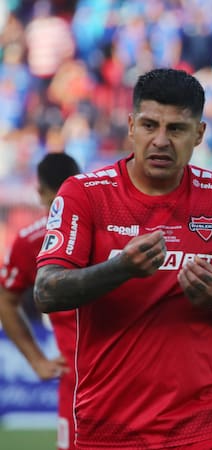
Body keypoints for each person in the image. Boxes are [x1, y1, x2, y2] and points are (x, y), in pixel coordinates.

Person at [33, 68, 212, 449]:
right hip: (107, 426)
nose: (160, 140)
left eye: (176, 129)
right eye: (149, 125)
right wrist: (120, 268)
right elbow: (46, 291)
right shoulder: (84, 194)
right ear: (131, 126)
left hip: (202, 426)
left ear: (199, 134)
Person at [0, 152, 81, 450]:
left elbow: (5, 300)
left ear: (40, 192)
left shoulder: (30, 240)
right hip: (80, 386)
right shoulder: (32, 241)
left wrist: (37, 361)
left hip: (114, 381)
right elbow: (5, 299)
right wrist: (36, 360)